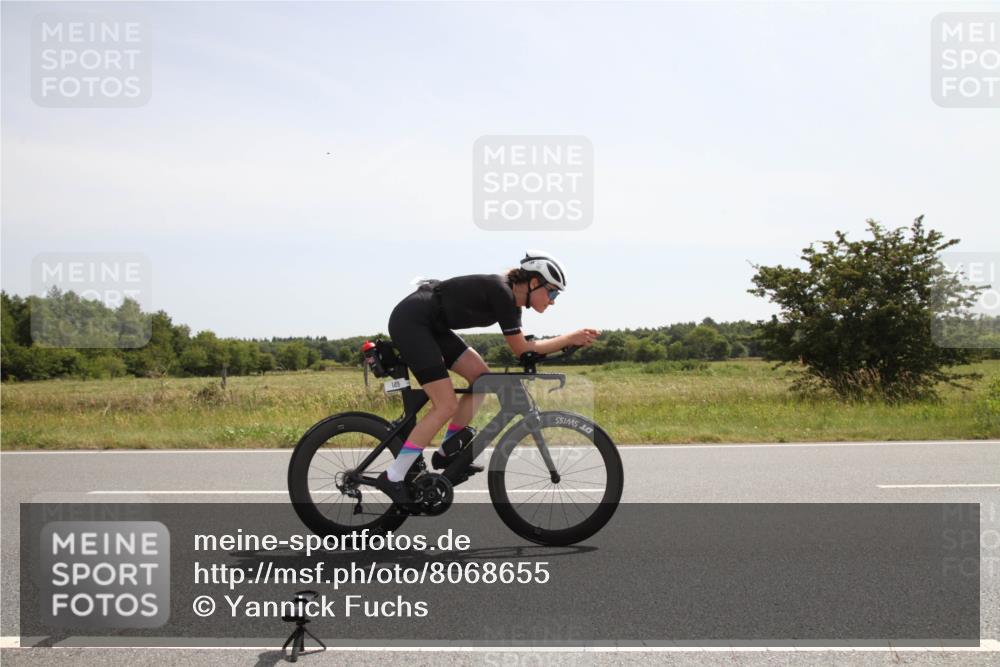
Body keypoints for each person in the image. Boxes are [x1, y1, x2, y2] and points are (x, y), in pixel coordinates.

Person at [375, 250, 600, 504]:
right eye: (552, 292)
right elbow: (522, 349)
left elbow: (524, 350)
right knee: (445, 403)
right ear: (534, 282)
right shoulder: (501, 292)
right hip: (413, 321)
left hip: (433, 325)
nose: (553, 301)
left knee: (482, 378)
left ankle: (448, 450)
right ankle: (393, 476)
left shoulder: (512, 304)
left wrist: (568, 344)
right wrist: (569, 338)